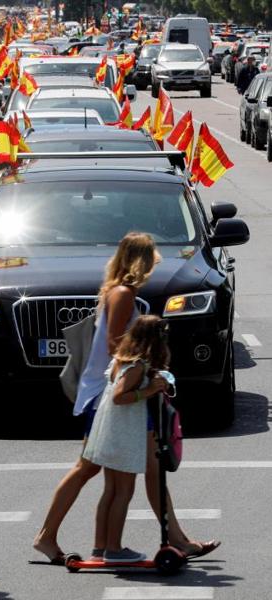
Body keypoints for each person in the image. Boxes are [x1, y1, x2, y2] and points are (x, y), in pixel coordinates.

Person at [33, 232, 220, 564]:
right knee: (96, 471)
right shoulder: (123, 294)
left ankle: (117, 544)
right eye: (150, 262)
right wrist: (149, 375)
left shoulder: (121, 292)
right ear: (141, 262)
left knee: (132, 471)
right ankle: (60, 538)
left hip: (113, 392)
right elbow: (115, 346)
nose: (152, 269)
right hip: (110, 395)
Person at [83, 316, 170, 562]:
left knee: (110, 490)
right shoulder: (137, 366)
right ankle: (114, 548)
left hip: (111, 431)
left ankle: (100, 546)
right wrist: (150, 390)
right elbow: (119, 397)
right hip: (122, 434)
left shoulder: (121, 361)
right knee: (124, 491)